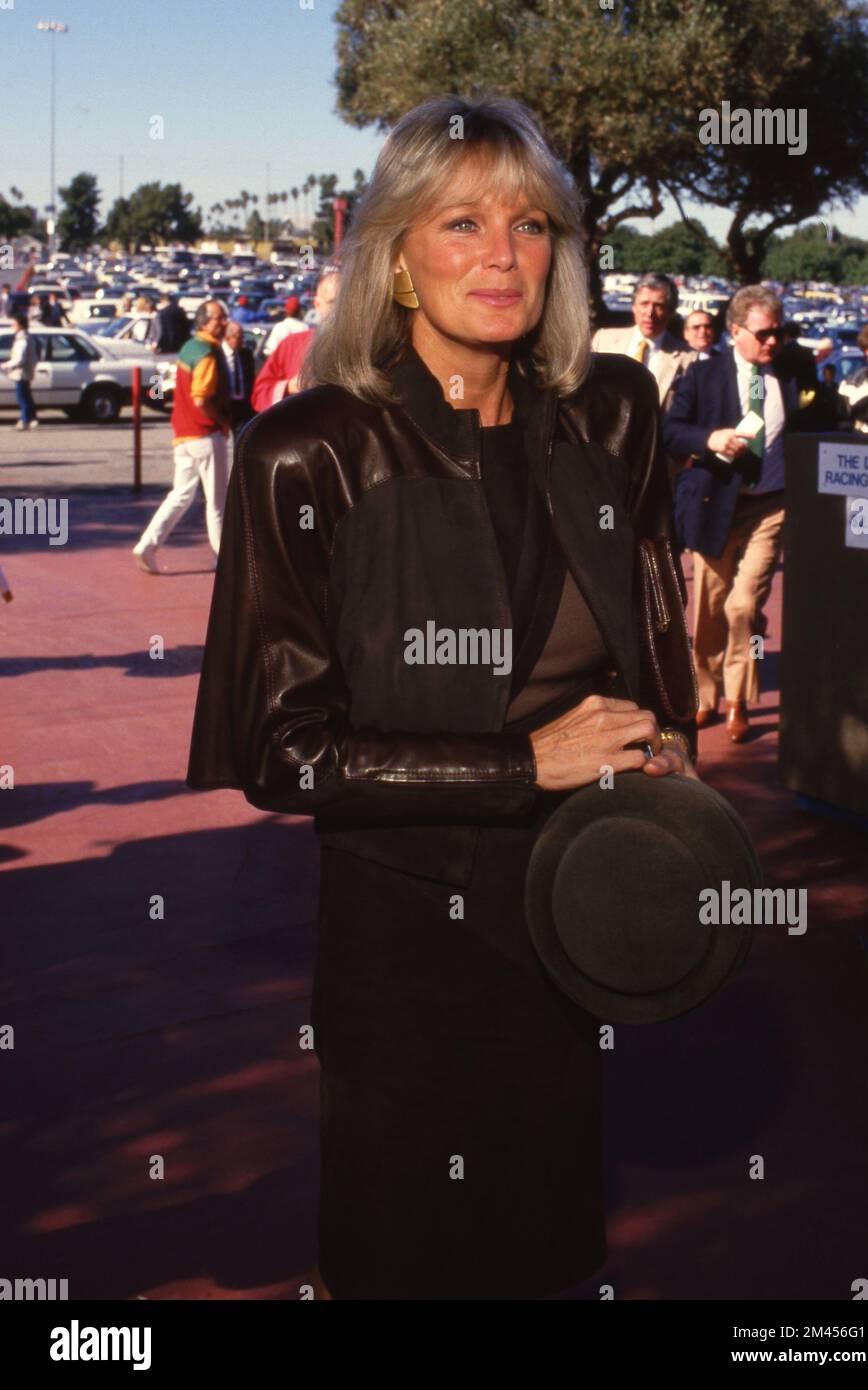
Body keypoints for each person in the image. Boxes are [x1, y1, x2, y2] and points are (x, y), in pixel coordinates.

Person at [186, 94, 698, 1303]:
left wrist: (664, 749)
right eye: (460, 222)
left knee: (550, 1238)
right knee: (407, 1248)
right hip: (407, 938)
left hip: (581, 900)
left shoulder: (614, 415)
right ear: (399, 256)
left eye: (530, 225)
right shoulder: (305, 452)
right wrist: (528, 763)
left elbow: (652, 627)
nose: (502, 255)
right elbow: (282, 751)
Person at [664, 285, 800, 744]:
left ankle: (739, 700)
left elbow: (823, 419)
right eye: (764, 334)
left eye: (779, 333)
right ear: (736, 331)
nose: (773, 342)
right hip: (716, 504)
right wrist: (710, 439)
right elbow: (671, 431)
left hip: (771, 506)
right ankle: (705, 695)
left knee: (744, 606)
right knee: (708, 610)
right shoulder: (704, 376)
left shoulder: (792, 370)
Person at [132, 300, 231, 574]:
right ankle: (222, 558)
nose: (223, 323)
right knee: (216, 502)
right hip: (206, 434)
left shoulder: (188, 348)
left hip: (184, 435)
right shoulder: (208, 354)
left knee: (181, 495)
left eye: (223, 318)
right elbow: (201, 399)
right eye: (218, 319)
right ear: (203, 322)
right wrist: (224, 421)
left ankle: (148, 545)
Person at [591, 272, 696, 411]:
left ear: (671, 312)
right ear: (634, 307)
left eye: (658, 305)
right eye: (644, 303)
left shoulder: (688, 358)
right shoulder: (604, 340)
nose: (650, 313)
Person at [251, 264, 339, 412]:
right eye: (332, 302)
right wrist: (290, 386)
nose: (340, 309)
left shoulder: (369, 347)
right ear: (317, 304)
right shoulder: (292, 344)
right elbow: (259, 396)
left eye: (346, 302)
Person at [3, 314, 40, 430]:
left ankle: (24, 421)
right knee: (27, 396)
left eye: (14, 324)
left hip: (21, 372)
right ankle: (32, 418)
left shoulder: (22, 339)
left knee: (23, 397)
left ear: (20, 325)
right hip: (25, 372)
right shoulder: (27, 337)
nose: (12, 326)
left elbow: (20, 358)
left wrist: (6, 364)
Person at [221, 319, 256, 439]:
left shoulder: (246, 354)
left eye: (242, 337)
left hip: (243, 406)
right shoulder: (217, 355)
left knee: (241, 439)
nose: (242, 341)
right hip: (225, 405)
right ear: (227, 337)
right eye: (238, 337)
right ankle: (158, 398)